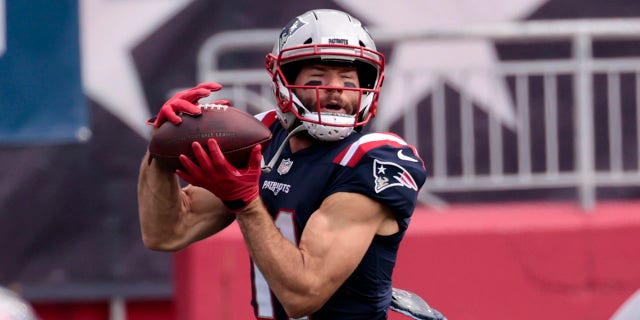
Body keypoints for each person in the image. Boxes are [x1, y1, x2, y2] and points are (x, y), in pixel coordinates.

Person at [138, 8, 432, 320]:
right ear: (284, 80)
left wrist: (247, 204)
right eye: (318, 76)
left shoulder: (370, 160)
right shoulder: (262, 139)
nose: (335, 87)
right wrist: (160, 148)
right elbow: (167, 232)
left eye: (347, 78)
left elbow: (303, 294)